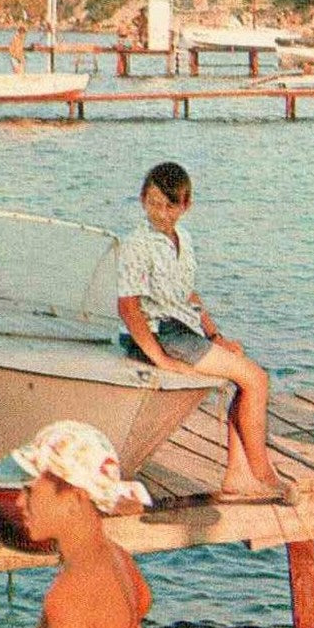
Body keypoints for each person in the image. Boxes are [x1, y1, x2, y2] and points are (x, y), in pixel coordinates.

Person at [116, 162, 294, 505]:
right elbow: (127, 306)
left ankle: (238, 475)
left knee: (243, 371)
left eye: (170, 206)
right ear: (142, 199)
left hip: (183, 330)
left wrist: (215, 336)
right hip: (158, 335)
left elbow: (188, 295)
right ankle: (262, 473)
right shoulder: (137, 244)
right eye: (153, 203)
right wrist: (160, 358)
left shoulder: (184, 238)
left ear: (186, 206)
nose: (161, 213)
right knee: (256, 379)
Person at [0, 421, 156, 628]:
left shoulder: (68, 597)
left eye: (31, 491)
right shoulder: (119, 560)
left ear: (74, 499)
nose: (19, 501)